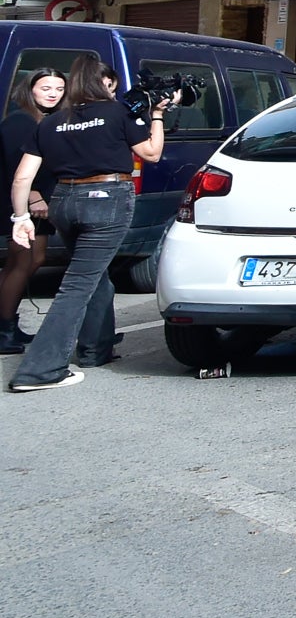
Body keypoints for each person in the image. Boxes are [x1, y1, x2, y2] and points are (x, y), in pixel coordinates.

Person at [6, 58, 175, 392]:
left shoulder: (51, 122)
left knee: (94, 278)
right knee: (78, 285)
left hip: (64, 202)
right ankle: (41, 370)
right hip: (106, 199)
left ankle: (95, 348)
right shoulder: (116, 112)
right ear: (102, 84)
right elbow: (152, 153)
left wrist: (20, 217)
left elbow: (22, 177)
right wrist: (157, 116)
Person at [0, 67, 67, 354]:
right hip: (23, 205)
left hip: (39, 204)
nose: (52, 94)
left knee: (34, 259)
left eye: (59, 89)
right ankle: (4, 331)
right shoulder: (21, 120)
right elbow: (17, 166)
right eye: (46, 88)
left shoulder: (46, 120)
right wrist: (33, 199)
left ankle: (8, 323)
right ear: (31, 90)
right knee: (21, 262)